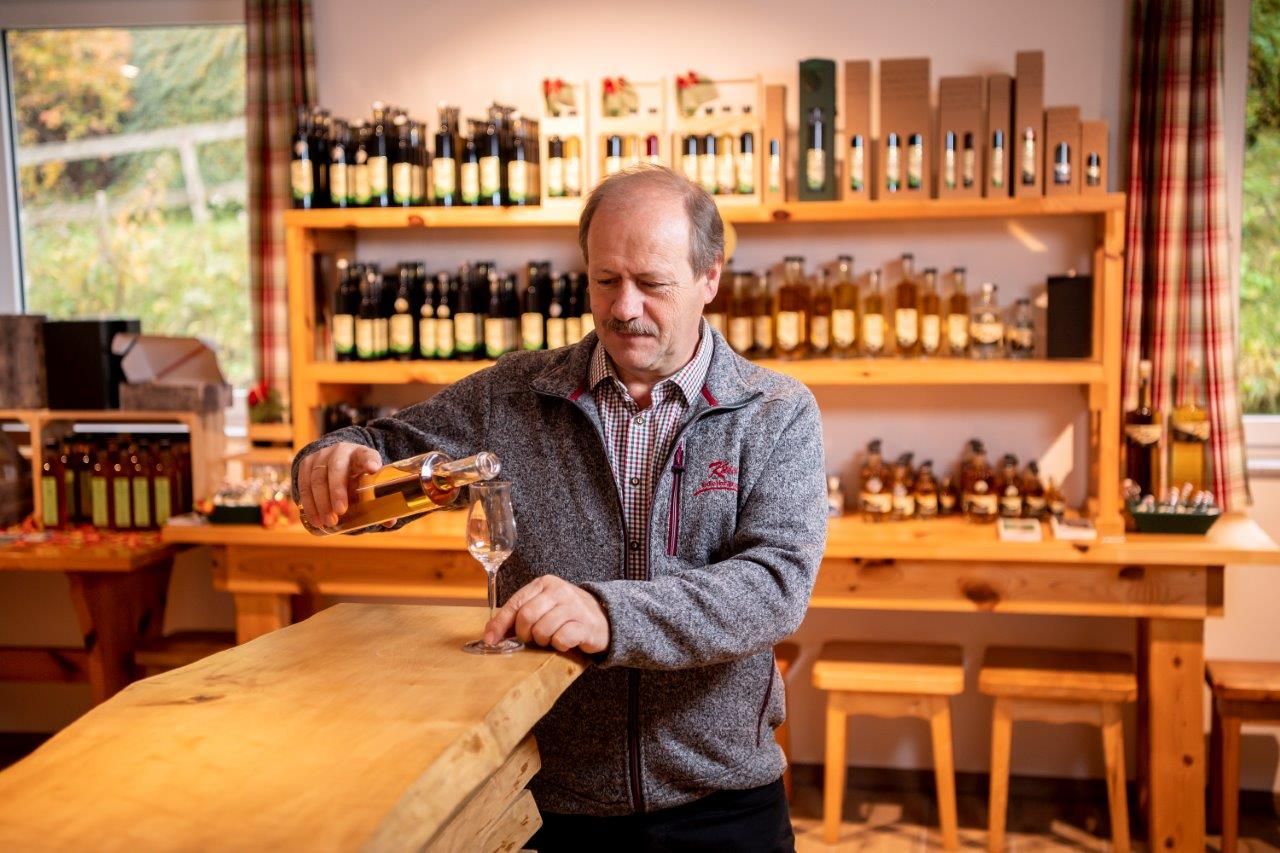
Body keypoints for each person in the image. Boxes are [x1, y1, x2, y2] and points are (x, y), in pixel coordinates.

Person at [293, 165, 827, 851]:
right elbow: (376, 450)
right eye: (605, 280)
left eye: (652, 283)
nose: (624, 306)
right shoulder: (512, 394)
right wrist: (331, 459)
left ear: (709, 278)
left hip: (721, 804)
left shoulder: (774, 413)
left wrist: (608, 613)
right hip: (549, 801)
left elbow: (773, 587)